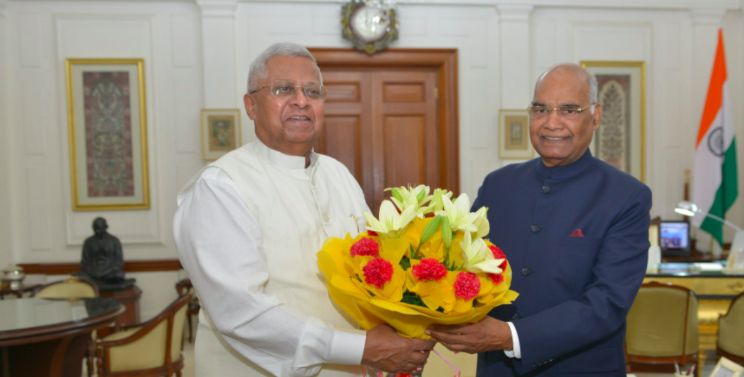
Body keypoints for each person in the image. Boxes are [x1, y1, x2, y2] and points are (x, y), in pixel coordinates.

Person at [174, 43, 434, 377]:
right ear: (250, 105)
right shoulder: (220, 186)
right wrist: (362, 348)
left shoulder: (338, 174)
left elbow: (370, 276)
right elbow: (242, 315)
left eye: (313, 91)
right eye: (283, 89)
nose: (301, 100)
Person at [428, 64, 652, 377]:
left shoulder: (626, 196)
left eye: (569, 110)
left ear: (596, 115)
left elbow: (607, 303)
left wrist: (510, 336)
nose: (552, 122)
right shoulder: (498, 185)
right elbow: (462, 265)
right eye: (541, 109)